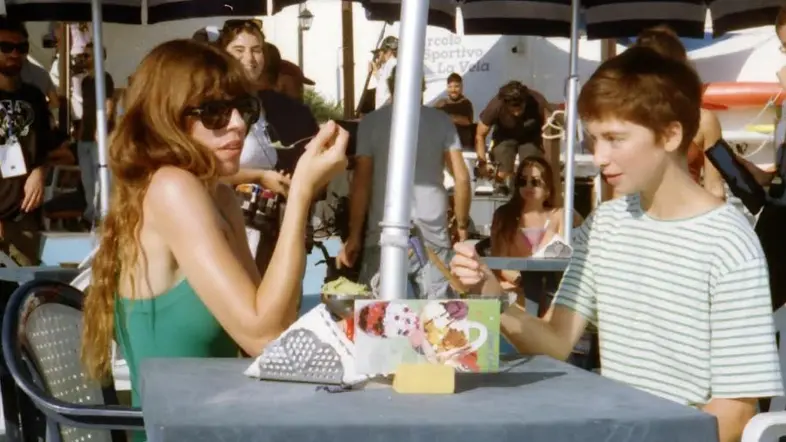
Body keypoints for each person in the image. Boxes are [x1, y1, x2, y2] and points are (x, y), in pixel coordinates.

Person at [450, 47, 782, 442]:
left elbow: (735, 409)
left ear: (671, 134)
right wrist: (490, 294)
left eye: (615, 138)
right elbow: (556, 340)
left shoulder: (729, 241)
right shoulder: (605, 225)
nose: (600, 157)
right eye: (593, 140)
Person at [80, 40, 349, 436]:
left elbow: (271, 319)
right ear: (168, 119)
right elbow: (265, 338)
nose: (239, 124)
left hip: (221, 424)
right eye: (214, 112)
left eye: (245, 108)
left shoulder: (218, 194)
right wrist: (301, 195)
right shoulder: (172, 188)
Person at [338, 67, 471, 299]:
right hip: (432, 233)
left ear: (390, 86)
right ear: (422, 87)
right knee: (439, 319)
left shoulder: (371, 122)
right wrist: (461, 225)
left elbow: (361, 183)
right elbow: (461, 178)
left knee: (378, 319)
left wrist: (355, 234)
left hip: (382, 231)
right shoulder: (442, 122)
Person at [630, 26, 725, 199]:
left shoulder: (704, 120)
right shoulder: (627, 118)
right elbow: (715, 189)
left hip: (683, 215)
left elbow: (715, 189)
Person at [0, 17, 56, 268]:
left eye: (21, 48)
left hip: (23, 213)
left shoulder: (33, 96)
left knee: (22, 292)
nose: (15, 54)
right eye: (5, 47)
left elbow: (44, 147)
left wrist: (39, 172)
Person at [475, 81, 552, 195]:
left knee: (531, 169)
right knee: (503, 170)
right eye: (512, 109)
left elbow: (550, 132)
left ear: (525, 102)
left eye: (520, 108)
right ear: (505, 104)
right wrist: (482, 163)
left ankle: (529, 197)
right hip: (504, 136)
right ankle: (504, 194)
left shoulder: (538, 101)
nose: (516, 113)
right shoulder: (495, 106)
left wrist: (549, 162)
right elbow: (480, 135)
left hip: (530, 136)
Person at [76, 42, 115, 224]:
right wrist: (81, 131)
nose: (84, 59)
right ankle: (91, 215)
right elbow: (86, 109)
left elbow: (108, 105)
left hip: (99, 138)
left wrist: (102, 128)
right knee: (87, 180)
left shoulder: (105, 78)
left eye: (88, 55)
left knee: (101, 178)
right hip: (85, 137)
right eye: (84, 55)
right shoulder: (85, 81)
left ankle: (101, 217)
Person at [434, 73, 474, 150]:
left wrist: (447, 117)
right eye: (450, 87)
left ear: (461, 87)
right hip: (443, 144)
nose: (453, 90)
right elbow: (433, 120)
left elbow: (467, 121)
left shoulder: (466, 103)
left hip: (462, 144)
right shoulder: (440, 103)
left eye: (456, 86)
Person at [371, 36, 397, 110]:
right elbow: (384, 84)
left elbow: (393, 90)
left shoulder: (392, 63)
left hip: (386, 111)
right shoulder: (389, 64)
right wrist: (375, 72)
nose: (377, 58)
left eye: (378, 54)